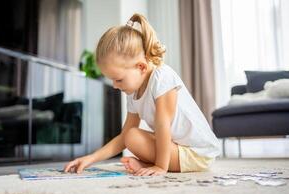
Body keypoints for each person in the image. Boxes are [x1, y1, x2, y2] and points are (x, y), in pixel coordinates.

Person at [64, 13, 220, 176]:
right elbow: (124, 136)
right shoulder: (133, 91)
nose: (115, 86)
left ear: (141, 67)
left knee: (133, 137)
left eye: (118, 79)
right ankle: (147, 163)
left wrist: (160, 167)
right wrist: (90, 158)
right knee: (131, 136)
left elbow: (162, 126)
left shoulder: (162, 77)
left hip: (198, 154)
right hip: (177, 147)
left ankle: (156, 163)